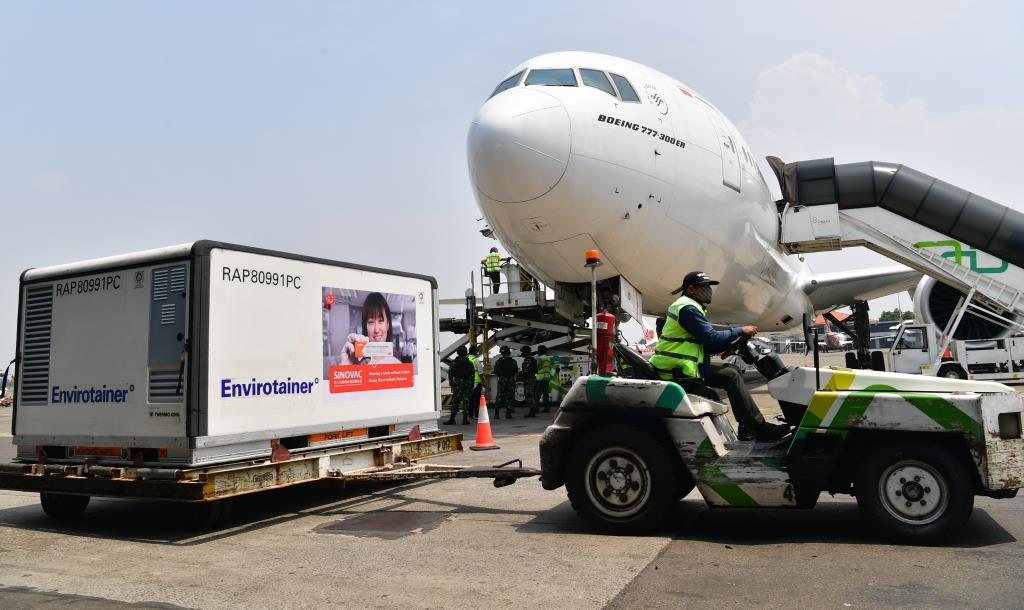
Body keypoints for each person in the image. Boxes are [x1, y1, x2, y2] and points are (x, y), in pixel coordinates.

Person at [648, 271, 790, 441]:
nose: (709, 290)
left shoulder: (687, 307)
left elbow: (706, 344)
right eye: (704, 287)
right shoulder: (688, 309)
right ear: (691, 289)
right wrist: (739, 330)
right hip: (677, 370)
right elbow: (712, 338)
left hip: (681, 366)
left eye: (709, 286)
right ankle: (757, 427)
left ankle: (747, 427)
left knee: (732, 370)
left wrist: (729, 344)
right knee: (731, 375)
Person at [340, 292, 401, 365]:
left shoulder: (398, 365)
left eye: (380, 321)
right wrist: (346, 367)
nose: (376, 330)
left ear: (388, 325)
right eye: (371, 322)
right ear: (365, 327)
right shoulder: (357, 363)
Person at [446, 346, 474, 425]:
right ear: (465, 352)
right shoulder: (469, 363)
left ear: (458, 352)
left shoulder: (454, 362)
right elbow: (472, 375)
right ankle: (465, 420)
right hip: (466, 383)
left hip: (457, 383)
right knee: (466, 401)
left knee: (456, 401)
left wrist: (451, 383)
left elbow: (450, 373)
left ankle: (452, 419)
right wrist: (471, 385)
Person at [493, 345, 519, 418]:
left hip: (502, 380)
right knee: (509, 396)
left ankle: (496, 414)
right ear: (509, 352)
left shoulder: (498, 361)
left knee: (499, 396)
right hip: (510, 380)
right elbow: (516, 371)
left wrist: (501, 376)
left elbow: (495, 371)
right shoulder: (513, 361)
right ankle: (508, 414)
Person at [519, 345, 538, 417]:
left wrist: (520, 375)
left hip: (528, 379)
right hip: (532, 378)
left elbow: (526, 371)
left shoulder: (528, 360)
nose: (521, 353)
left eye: (522, 352)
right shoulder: (532, 359)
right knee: (531, 394)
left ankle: (532, 411)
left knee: (529, 395)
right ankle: (533, 410)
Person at [535, 344, 554, 413]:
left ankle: (536, 409)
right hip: (547, 377)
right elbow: (550, 367)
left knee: (537, 394)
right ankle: (546, 408)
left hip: (540, 378)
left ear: (539, 351)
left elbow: (538, 367)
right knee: (545, 393)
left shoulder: (540, 358)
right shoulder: (548, 358)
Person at [468, 346, 484, 418]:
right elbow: (480, 373)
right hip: (476, 383)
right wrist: (484, 382)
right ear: (474, 352)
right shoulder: (476, 360)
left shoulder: (467, 359)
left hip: (468, 382)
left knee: (470, 399)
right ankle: (476, 415)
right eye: (477, 351)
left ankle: (470, 414)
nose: (478, 352)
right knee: (477, 400)